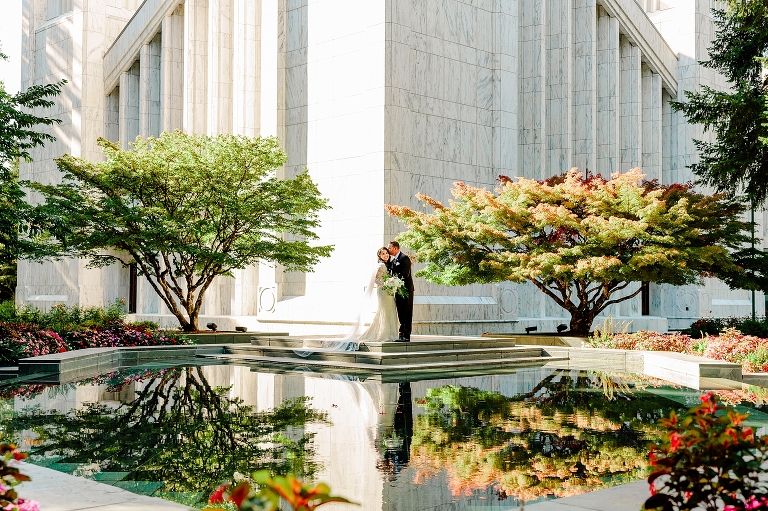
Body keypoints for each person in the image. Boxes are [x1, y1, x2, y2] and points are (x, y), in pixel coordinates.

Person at [357, 247, 400, 342]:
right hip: (383, 292)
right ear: (380, 256)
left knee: (391, 311)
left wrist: (392, 285)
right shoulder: (381, 266)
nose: (386, 255)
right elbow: (375, 279)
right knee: (384, 311)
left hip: (389, 291)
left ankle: (392, 334)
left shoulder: (388, 264)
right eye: (383, 254)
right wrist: (385, 285)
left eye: (386, 253)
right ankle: (384, 334)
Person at [387, 241, 414, 342]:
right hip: (397, 289)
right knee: (400, 312)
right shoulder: (394, 259)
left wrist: (393, 280)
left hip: (406, 289)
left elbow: (405, 273)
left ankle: (406, 335)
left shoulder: (404, 258)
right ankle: (401, 333)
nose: (388, 250)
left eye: (389, 248)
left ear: (395, 248)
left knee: (407, 312)